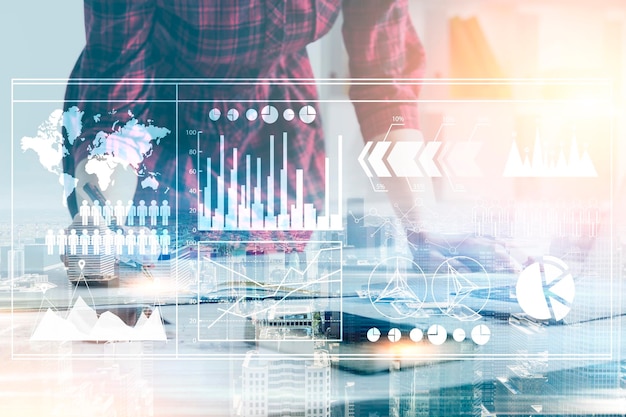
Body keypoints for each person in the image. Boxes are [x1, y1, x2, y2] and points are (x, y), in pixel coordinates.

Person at [61, 1, 425, 241]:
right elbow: (117, 111)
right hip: (158, 136)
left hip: (278, 135)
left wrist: (423, 226)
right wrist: (99, 224)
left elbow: (386, 84)